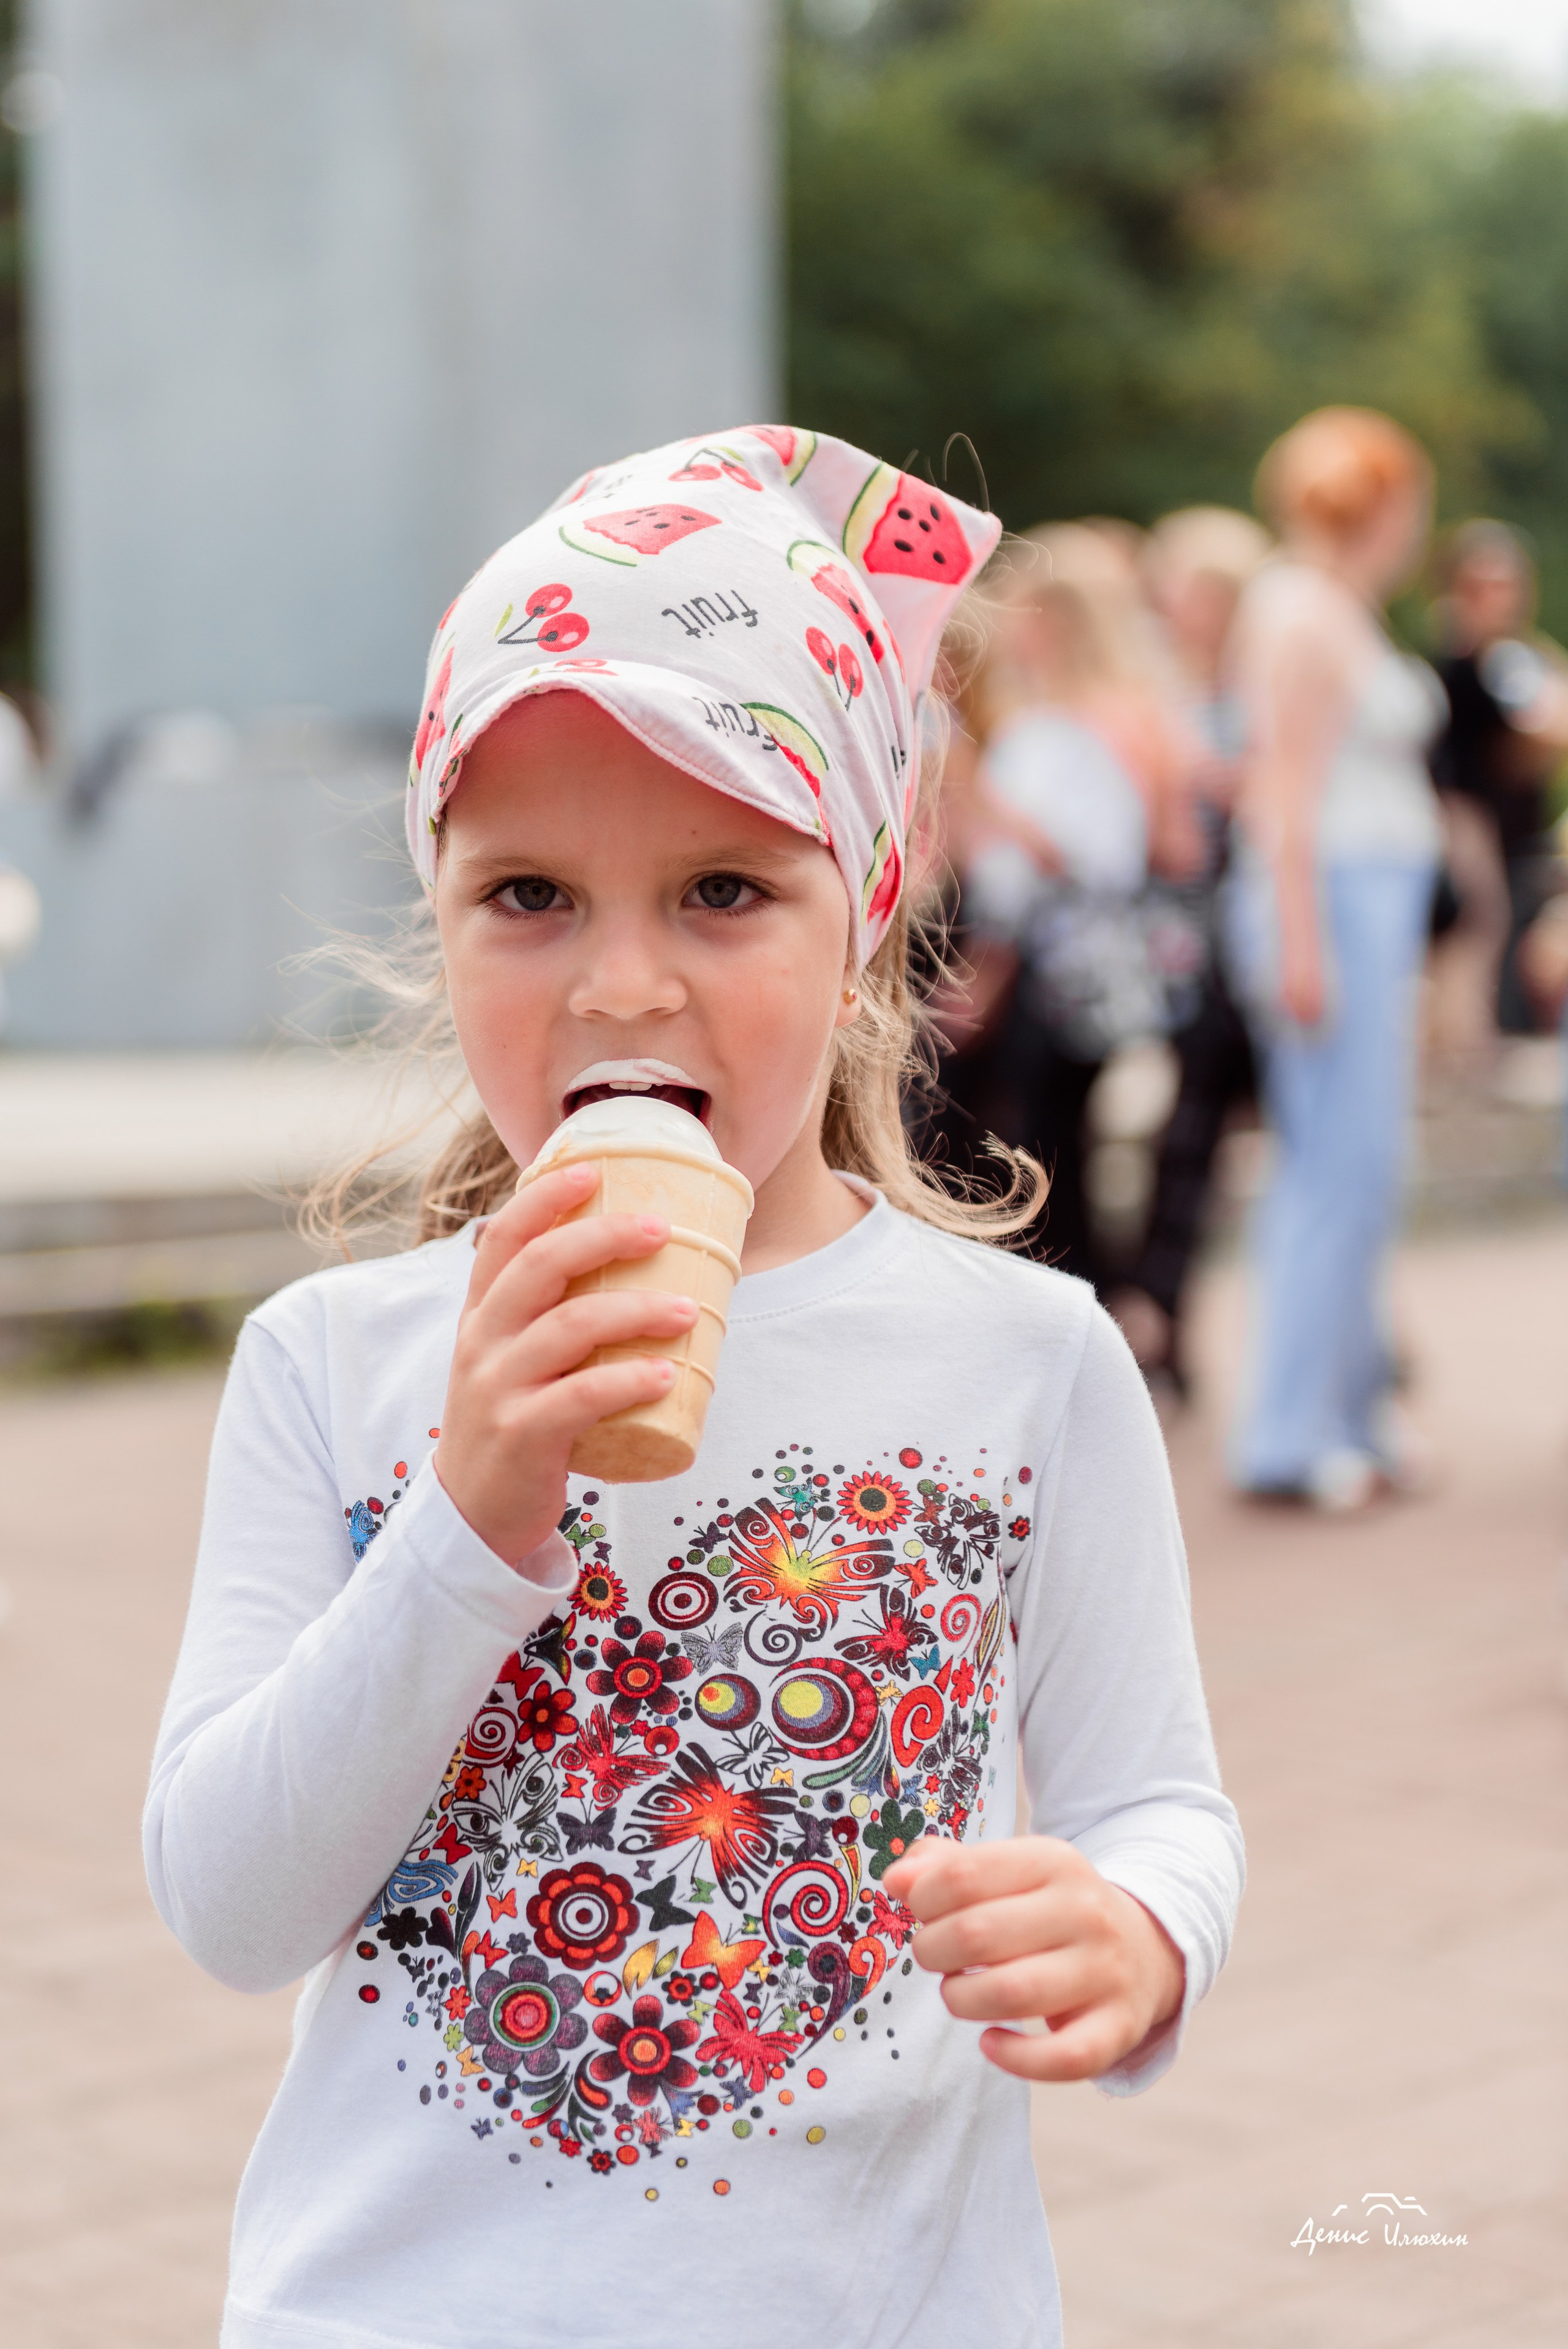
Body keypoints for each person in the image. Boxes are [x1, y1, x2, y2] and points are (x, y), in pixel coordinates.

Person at [143, 428, 1243, 2349]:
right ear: (443, 920)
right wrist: (465, 1521)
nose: (623, 985)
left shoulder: (1025, 1361)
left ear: (863, 918)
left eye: (725, 891)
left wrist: (1140, 1934)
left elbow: (1157, 1800)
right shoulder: (333, 1367)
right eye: (530, 897)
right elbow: (232, 1907)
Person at [1226, 407, 1444, 1512]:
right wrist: (1305, 944)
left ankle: (1353, 1413)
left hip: (1371, 902)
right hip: (1337, 905)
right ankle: (1295, 1432)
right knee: (1333, 1174)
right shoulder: (1303, 611)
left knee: (1361, 1172)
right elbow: (1285, 791)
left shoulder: (1334, 608)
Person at [938, 525, 1202, 1288]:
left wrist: (981, 798)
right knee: (1067, 1151)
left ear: (1050, 619)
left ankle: (1076, 1306)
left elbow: (1056, 865)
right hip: (1092, 966)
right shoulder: (1137, 716)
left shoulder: (1066, 728)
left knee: (1041, 1152)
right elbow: (1171, 850)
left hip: (1054, 972)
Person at [1108, 507, 1272, 1397]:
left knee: (1219, 1131)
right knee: (1188, 1133)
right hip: (1178, 943)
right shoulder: (1160, 685)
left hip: (1247, 937)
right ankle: (1161, 1315)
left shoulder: (1258, 686)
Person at [1427, 519, 1568, 1047]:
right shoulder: (1468, 661)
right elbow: (1538, 733)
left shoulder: (1515, 658)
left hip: (1515, 828)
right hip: (1467, 822)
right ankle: (1467, 1047)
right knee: (1477, 933)